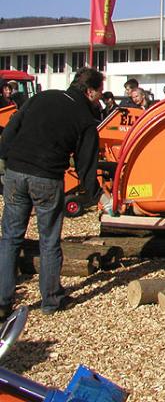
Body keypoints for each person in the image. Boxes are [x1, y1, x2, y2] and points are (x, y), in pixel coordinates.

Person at [0, 67, 106, 318]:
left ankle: (3, 302)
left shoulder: (41, 97)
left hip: (16, 172)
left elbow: (11, 129)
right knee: (48, 241)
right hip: (47, 178)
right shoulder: (85, 119)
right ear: (90, 92)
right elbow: (85, 165)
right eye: (99, 93)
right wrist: (99, 195)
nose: (100, 98)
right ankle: (51, 300)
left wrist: (5, 158)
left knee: (10, 238)